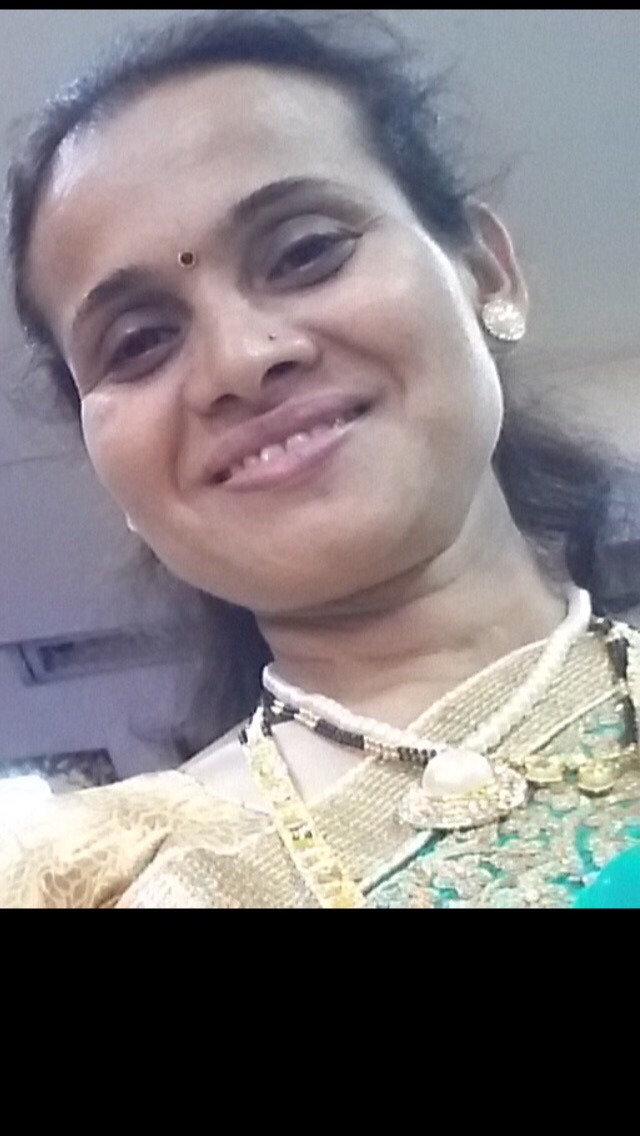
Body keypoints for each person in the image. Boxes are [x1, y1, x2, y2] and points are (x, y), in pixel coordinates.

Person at [2, 9, 639, 908]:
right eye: (139, 342)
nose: (240, 360)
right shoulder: (84, 883)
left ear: (488, 274)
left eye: (305, 252)